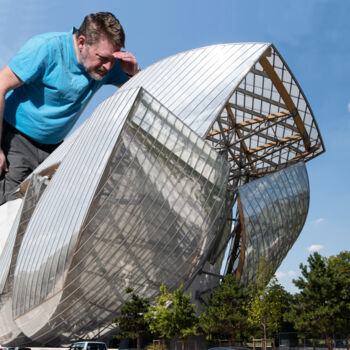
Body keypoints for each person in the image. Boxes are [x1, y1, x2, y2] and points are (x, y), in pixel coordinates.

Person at [0, 12, 139, 205]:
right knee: (8, 208)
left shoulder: (106, 66)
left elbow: (139, 90)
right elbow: (1, 85)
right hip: (14, 140)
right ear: (81, 42)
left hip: (52, 151)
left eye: (113, 60)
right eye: (103, 58)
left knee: (39, 215)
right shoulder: (46, 48)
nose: (108, 67)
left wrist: (134, 72)